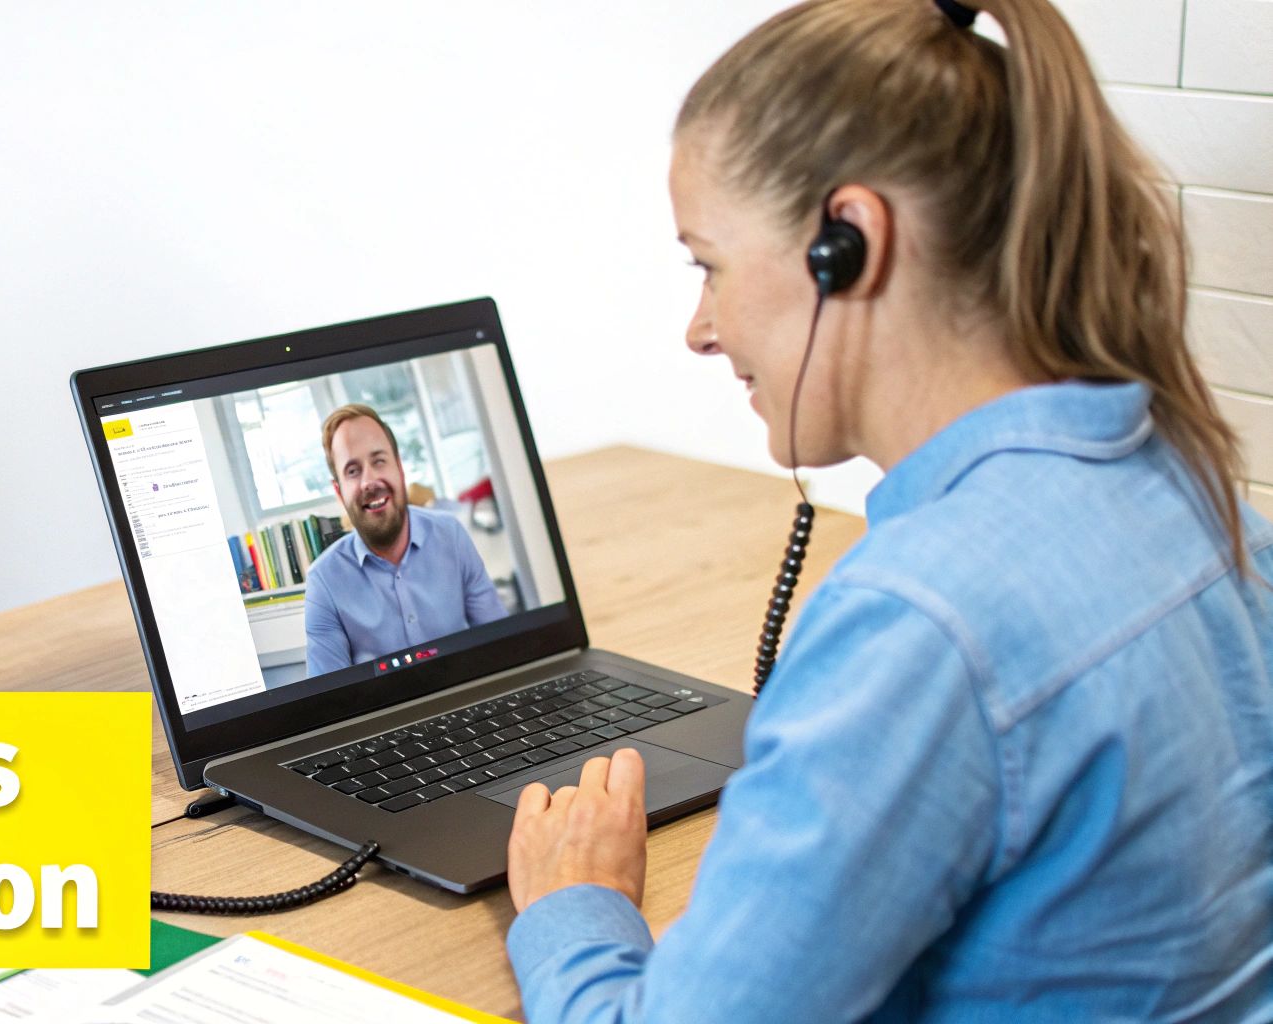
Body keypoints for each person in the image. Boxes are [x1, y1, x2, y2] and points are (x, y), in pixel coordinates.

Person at [503, 1, 1273, 1021]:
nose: (699, 328)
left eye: (709, 265)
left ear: (848, 243)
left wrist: (574, 906)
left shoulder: (920, 623)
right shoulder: (1187, 480)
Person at [302, 403, 507, 676]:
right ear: (339, 492)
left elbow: (501, 644)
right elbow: (328, 702)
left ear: (399, 469)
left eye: (379, 461)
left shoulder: (451, 535)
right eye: (353, 470)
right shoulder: (323, 582)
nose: (369, 481)